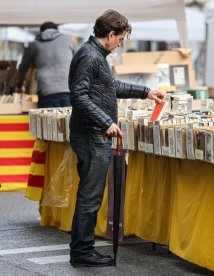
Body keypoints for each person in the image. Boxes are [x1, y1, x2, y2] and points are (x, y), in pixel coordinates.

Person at [68, 9, 166, 267]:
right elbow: (79, 96)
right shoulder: (90, 56)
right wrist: (106, 122)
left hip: (92, 133)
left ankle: (82, 249)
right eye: (120, 39)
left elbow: (111, 87)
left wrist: (146, 92)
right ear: (110, 34)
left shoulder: (94, 55)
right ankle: (81, 251)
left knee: (90, 195)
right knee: (90, 196)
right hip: (91, 135)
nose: (120, 44)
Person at [16, 22, 76, 108]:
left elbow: (23, 67)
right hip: (68, 90)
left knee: (47, 121)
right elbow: (80, 62)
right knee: (69, 120)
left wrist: (19, 84)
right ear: (57, 31)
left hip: (46, 91)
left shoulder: (34, 44)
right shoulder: (68, 40)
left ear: (41, 32)